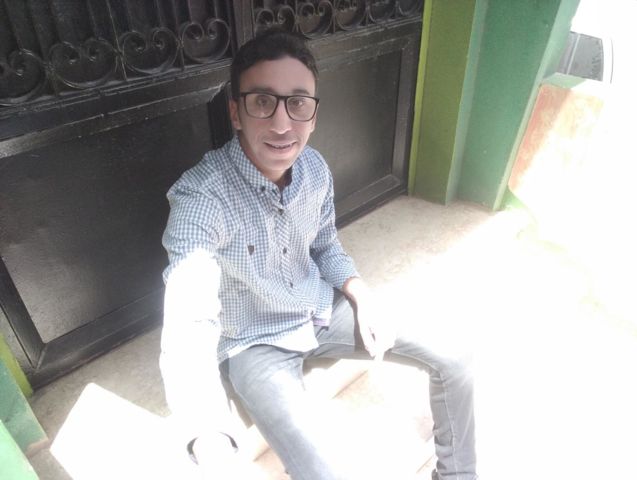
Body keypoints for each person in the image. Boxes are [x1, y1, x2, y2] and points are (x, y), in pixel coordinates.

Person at [160, 29, 477, 480]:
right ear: (235, 112)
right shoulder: (202, 197)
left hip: (319, 309)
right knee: (323, 469)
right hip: (254, 342)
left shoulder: (313, 169)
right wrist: (208, 435)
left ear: (313, 114)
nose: (282, 124)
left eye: (298, 103)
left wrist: (361, 295)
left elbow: (326, 244)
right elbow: (188, 320)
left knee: (454, 355)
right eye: (262, 102)